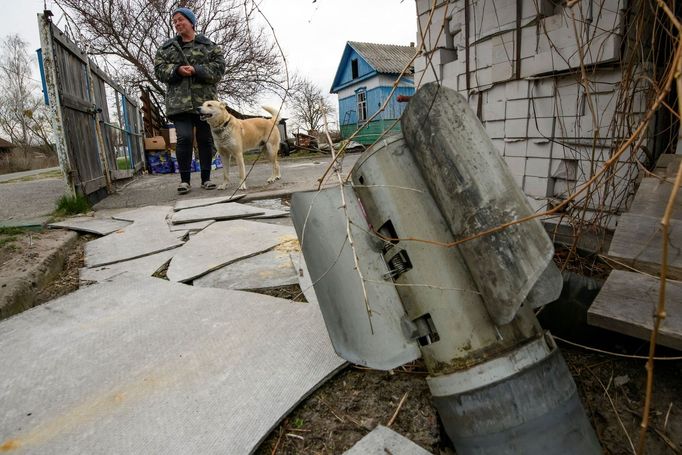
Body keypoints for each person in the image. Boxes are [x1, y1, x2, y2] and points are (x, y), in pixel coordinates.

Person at [154, 7, 226, 194]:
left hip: (205, 103)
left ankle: (206, 178)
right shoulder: (167, 48)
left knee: (205, 139)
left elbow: (218, 70)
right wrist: (177, 70)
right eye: (175, 21)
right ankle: (184, 180)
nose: (177, 23)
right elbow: (159, 70)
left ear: (191, 22)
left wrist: (196, 70)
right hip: (179, 103)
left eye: (181, 20)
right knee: (184, 138)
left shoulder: (209, 46)